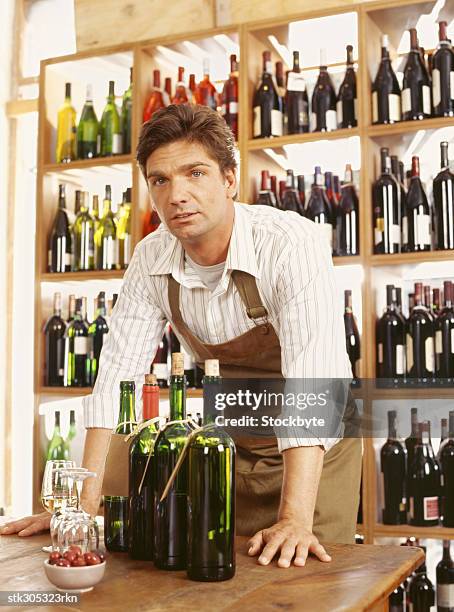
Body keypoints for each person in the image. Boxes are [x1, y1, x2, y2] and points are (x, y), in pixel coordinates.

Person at [0, 104, 361, 568]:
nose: (178, 195)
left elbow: (313, 382)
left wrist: (295, 517)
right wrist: (83, 509)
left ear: (229, 179)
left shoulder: (291, 244)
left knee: (305, 583)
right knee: (219, 575)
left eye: (195, 173)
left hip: (317, 449)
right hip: (229, 440)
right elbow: (115, 378)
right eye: (161, 180)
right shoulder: (151, 258)